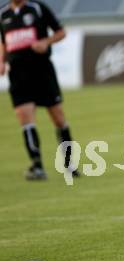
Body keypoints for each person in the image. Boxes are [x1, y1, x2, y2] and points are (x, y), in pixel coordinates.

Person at [0, 0, 79, 180]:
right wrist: (2, 61)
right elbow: (4, 41)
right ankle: (37, 166)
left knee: (58, 118)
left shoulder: (37, 8)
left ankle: (69, 163)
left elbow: (61, 32)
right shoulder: (3, 13)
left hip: (42, 71)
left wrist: (46, 41)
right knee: (25, 118)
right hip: (18, 74)